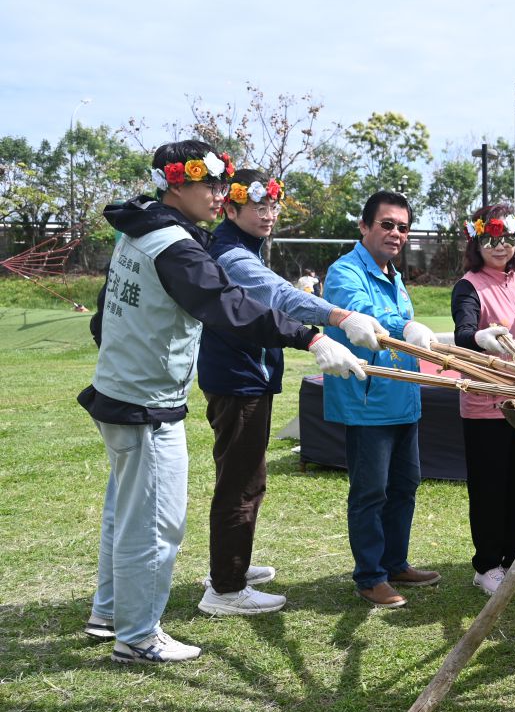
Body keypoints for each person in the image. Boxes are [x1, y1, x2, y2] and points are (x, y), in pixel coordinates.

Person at [79, 140, 366, 663]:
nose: (218, 194)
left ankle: (110, 610)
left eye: (221, 183)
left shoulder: (139, 229)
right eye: (209, 184)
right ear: (174, 184)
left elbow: (105, 313)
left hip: (121, 389)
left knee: (125, 510)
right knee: (157, 522)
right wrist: (313, 337)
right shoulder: (174, 246)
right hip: (144, 403)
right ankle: (138, 636)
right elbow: (230, 304)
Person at [195, 169, 386, 616]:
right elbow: (281, 297)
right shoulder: (233, 254)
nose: (268, 214)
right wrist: (340, 317)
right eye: (258, 205)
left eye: (273, 205)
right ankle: (225, 589)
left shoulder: (246, 247)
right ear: (232, 206)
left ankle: (230, 565)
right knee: (241, 483)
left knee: (243, 477)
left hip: (245, 377)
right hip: (238, 379)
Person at [323, 190, 442, 609]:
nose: (395, 233)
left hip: (403, 399)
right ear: (365, 226)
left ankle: (395, 563)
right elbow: (363, 315)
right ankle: (370, 576)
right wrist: (406, 327)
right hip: (368, 402)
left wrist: (420, 336)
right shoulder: (344, 273)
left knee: (405, 485)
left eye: (402, 227)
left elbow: (403, 326)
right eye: (387, 224)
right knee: (371, 490)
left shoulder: (393, 275)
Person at [452, 204, 515, 595]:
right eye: (490, 239)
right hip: (485, 403)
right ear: (477, 241)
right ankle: (487, 564)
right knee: (489, 486)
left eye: (506, 239)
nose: (499, 246)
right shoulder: (469, 284)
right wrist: (479, 338)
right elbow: (463, 333)